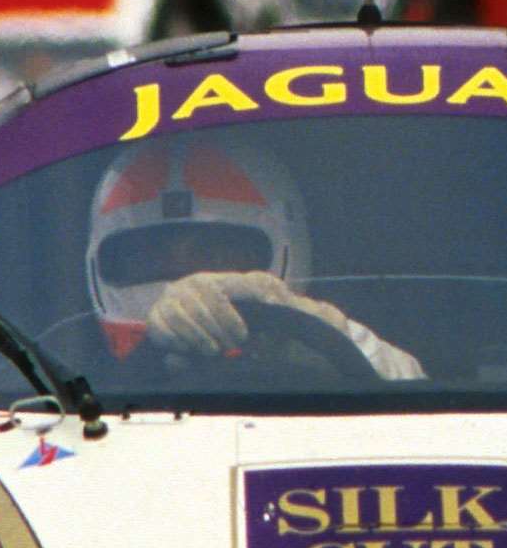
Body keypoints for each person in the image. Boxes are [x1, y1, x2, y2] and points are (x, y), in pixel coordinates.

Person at [85, 134, 423, 381]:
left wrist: (321, 329)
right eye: (151, 256)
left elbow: (414, 393)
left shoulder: (351, 370)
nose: (187, 283)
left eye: (214, 253)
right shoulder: (59, 403)